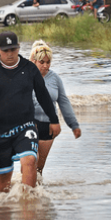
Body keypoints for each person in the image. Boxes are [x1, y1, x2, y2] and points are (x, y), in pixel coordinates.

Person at [0, 31, 62, 193]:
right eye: (6, 50)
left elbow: (43, 96)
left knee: (30, 160)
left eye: (13, 49)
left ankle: (29, 206)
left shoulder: (30, 68)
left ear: (18, 48)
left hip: (26, 126)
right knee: (4, 178)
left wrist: (53, 120)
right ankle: (4, 210)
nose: (10, 54)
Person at [28, 40, 82, 176]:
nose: (45, 66)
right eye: (42, 62)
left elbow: (63, 102)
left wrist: (73, 124)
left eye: (48, 62)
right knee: (30, 162)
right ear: (33, 61)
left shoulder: (55, 79)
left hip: (48, 126)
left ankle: (36, 194)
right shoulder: (25, 77)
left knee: (39, 168)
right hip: (29, 124)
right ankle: (23, 191)